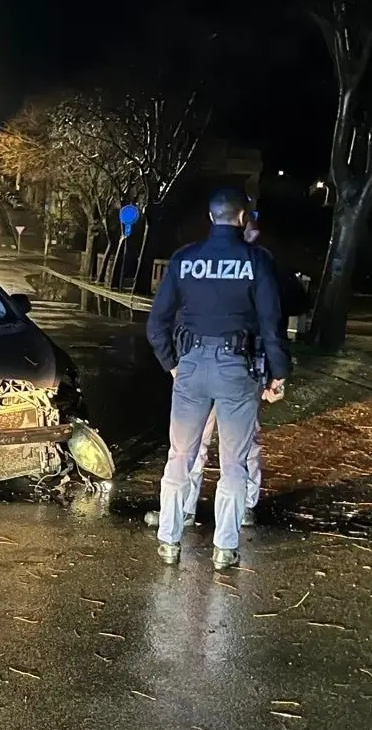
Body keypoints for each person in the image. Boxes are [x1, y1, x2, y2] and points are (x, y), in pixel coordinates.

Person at [146, 188, 289, 570]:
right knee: (234, 462)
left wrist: (172, 364)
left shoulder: (185, 259)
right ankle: (225, 547)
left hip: (190, 366)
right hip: (237, 370)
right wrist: (278, 374)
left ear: (211, 218)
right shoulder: (257, 261)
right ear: (242, 217)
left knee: (180, 455)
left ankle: (169, 540)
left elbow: (156, 323)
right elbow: (272, 326)